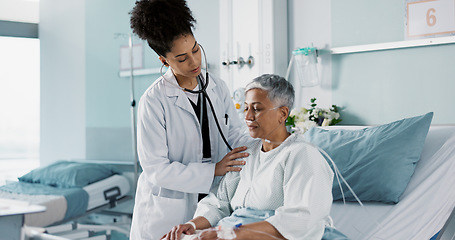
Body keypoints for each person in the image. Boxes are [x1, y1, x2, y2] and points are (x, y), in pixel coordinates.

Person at [128, 0, 252, 239]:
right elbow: (156, 169)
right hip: (166, 211)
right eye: (182, 58)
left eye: (195, 50)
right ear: (164, 61)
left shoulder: (216, 86)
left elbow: (234, 135)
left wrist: (269, 143)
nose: (195, 62)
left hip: (210, 204)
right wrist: (213, 170)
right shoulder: (154, 101)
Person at [162, 74, 339, 240]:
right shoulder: (246, 153)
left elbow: (300, 220)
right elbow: (219, 203)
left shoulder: (302, 155)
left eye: (257, 109)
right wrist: (192, 225)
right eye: (246, 108)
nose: (247, 116)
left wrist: (227, 233)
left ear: (283, 113)